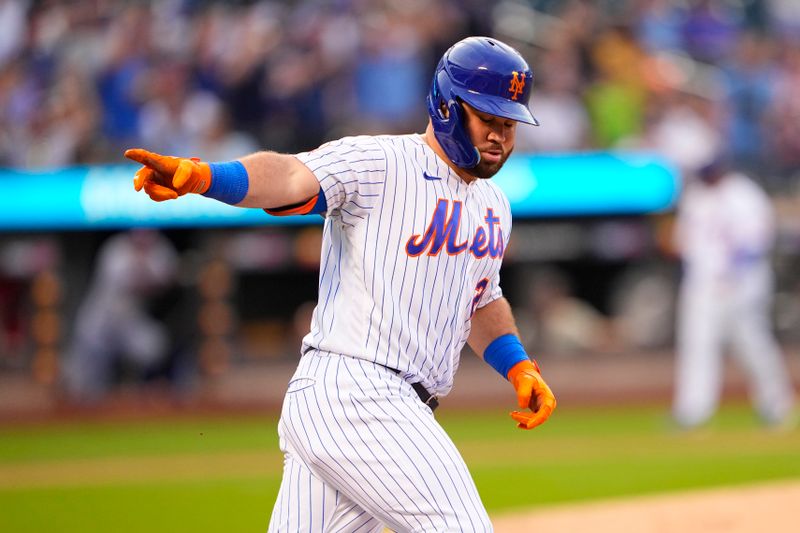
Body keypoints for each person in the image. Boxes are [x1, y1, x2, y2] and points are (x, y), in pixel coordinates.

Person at [126, 36, 556, 532]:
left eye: (509, 124)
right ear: (446, 104)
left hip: (372, 406)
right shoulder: (381, 160)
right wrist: (205, 176)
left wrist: (520, 367)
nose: (500, 135)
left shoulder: (494, 205)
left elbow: (481, 300)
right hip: (358, 391)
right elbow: (288, 175)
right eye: (488, 119)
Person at [672, 157, 795, 429]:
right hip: (702, 282)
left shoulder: (744, 194)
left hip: (742, 281)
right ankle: (693, 410)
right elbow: (685, 242)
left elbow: (756, 240)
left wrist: (732, 274)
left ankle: (777, 404)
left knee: (751, 342)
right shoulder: (696, 196)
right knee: (697, 344)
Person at [63, 229, 179, 402]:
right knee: (84, 379)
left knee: (153, 346)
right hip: (100, 320)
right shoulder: (115, 249)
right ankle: (80, 411)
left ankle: (143, 394)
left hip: (130, 320)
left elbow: (167, 277)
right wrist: (143, 267)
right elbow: (129, 283)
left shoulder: (159, 248)